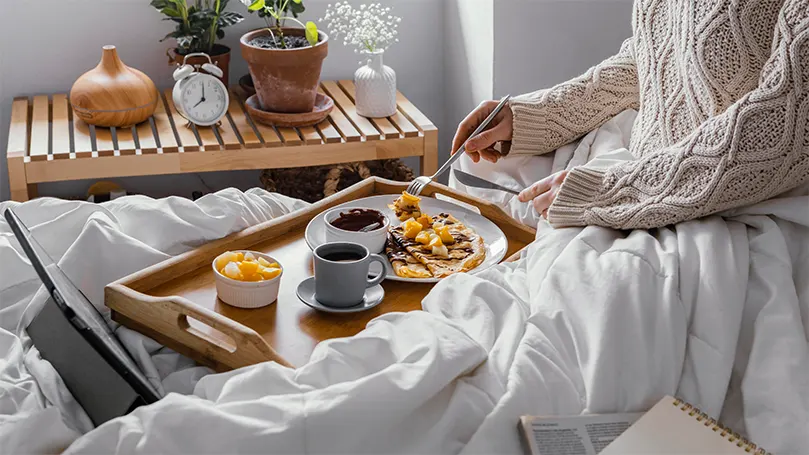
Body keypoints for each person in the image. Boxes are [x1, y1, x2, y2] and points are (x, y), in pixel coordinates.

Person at [452, 0, 809, 230]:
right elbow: (649, 61)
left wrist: (609, 191)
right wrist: (534, 117)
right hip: (643, 150)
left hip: (735, 194)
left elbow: (781, 136)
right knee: (474, 166)